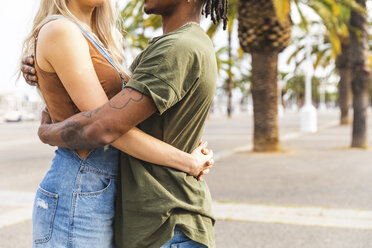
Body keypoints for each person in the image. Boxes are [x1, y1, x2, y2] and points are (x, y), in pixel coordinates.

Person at [21, 0, 216, 247]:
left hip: (105, 189)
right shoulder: (61, 30)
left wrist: (48, 130)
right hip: (81, 182)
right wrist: (188, 161)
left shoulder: (100, 38)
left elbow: (111, 122)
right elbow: (106, 127)